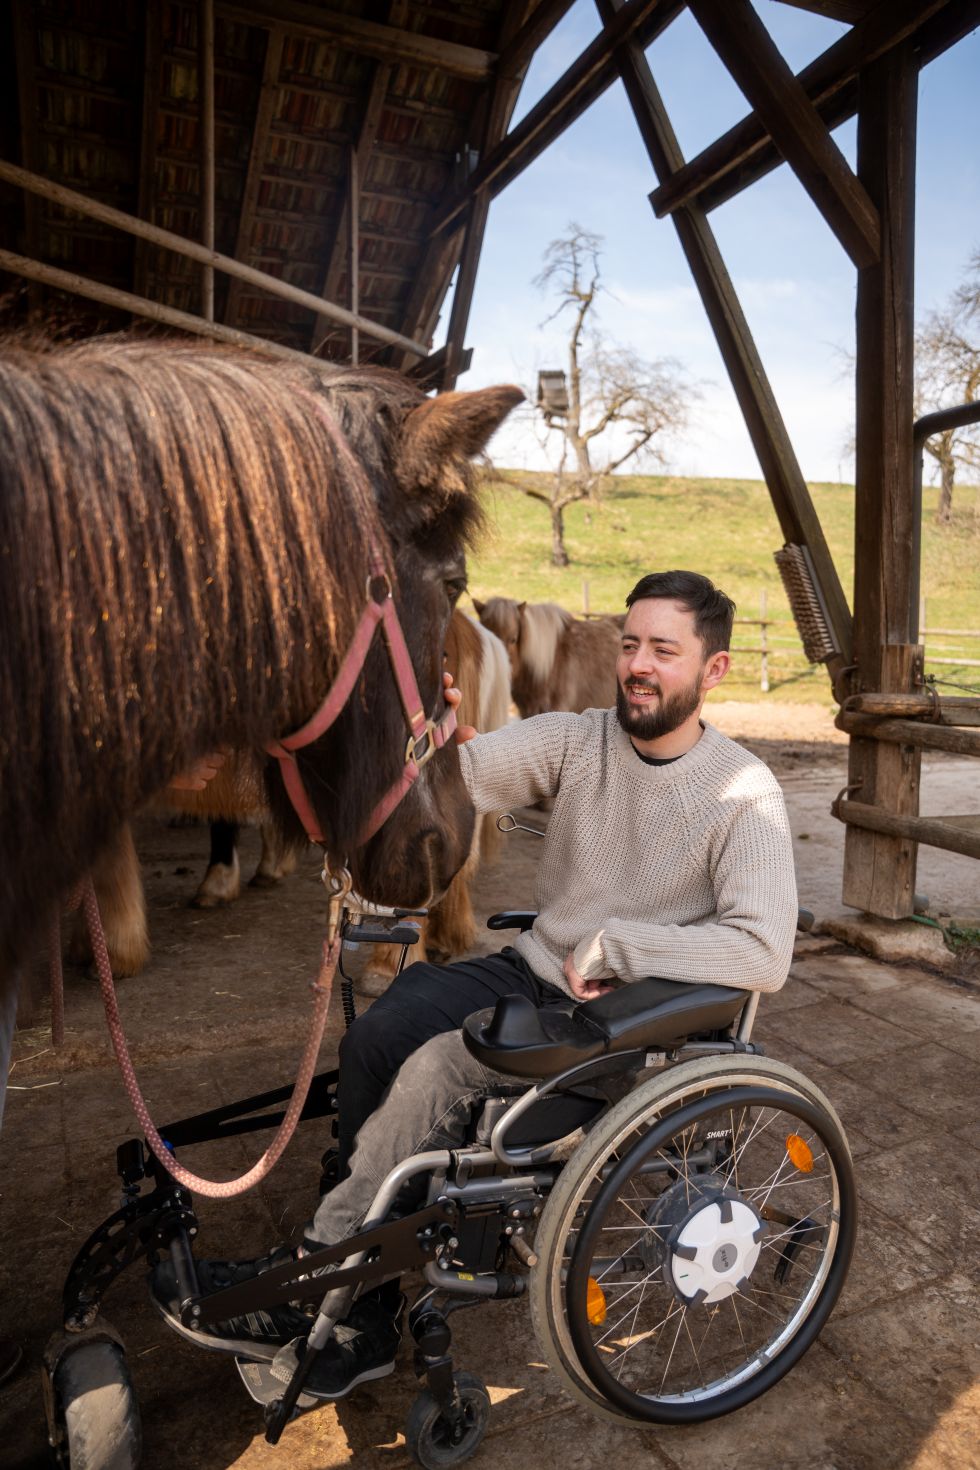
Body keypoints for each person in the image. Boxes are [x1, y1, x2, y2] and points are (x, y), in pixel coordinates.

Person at [154, 570, 799, 1399]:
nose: (637, 665)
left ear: (713, 671)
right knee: (380, 1036)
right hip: (535, 973)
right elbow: (450, 783)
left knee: (438, 1070)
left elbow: (763, 953)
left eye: (664, 651)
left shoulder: (745, 793)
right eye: (631, 644)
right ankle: (365, 1292)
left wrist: (623, 946)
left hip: (629, 1024)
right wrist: (426, 734)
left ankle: (321, 1275)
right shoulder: (578, 738)